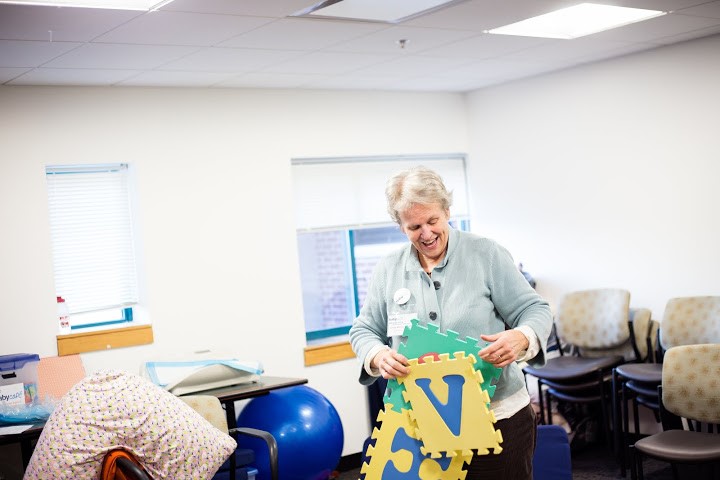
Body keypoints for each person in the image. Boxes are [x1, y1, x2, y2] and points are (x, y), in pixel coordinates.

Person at [349, 165, 553, 479]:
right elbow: (364, 329)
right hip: (419, 423)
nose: (426, 233)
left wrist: (521, 337)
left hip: (497, 417)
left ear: (447, 211)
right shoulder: (388, 269)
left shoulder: (486, 254)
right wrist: (377, 355)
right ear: (400, 226)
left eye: (433, 220)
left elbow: (535, 310)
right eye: (414, 226)